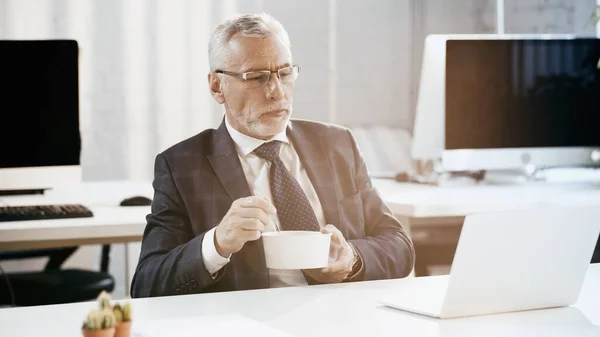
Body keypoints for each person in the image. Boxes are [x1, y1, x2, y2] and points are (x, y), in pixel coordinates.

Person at [131, 13, 415, 297]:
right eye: (256, 77)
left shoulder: (337, 144)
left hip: (339, 315)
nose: (276, 91)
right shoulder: (181, 165)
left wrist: (352, 259)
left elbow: (400, 246)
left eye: (285, 73)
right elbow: (146, 284)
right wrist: (216, 244)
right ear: (217, 86)